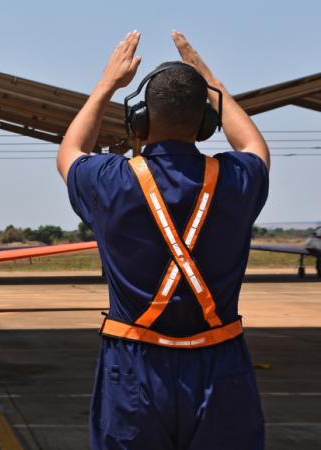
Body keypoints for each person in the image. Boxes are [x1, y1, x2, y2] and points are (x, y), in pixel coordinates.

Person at [56, 30, 269, 449]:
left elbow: (71, 149)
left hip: (134, 366)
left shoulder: (109, 180)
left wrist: (106, 84)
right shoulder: (236, 179)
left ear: (139, 121)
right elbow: (253, 144)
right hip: (221, 362)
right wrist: (212, 81)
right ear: (207, 122)